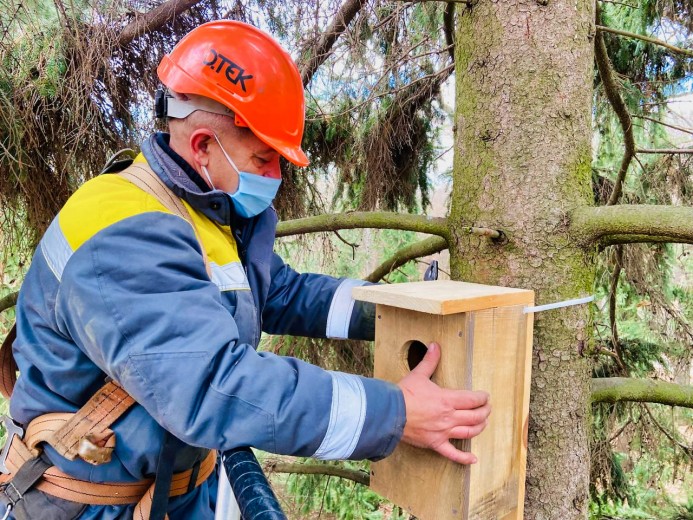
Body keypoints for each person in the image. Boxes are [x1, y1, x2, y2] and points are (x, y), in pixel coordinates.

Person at [1, 20, 491, 519]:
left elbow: (280, 293)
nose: (276, 176)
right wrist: (396, 413)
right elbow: (214, 386)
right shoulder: (124, 228)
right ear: (203, 146)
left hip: (171, 489)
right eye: (263, 158)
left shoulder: (200, 212)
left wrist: (399, 311)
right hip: (81, 504)